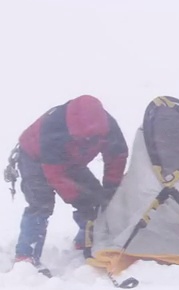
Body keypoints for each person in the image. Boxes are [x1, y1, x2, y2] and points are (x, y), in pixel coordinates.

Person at [12, 95, 128, 273]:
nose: (88, 141)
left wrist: (111, 189)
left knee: (96, 199)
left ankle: (87, 241)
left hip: (70, 161)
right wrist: (80, 200)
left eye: (92, 138)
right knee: (40, 204)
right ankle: (25, 257)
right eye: (84, 138)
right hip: (34, 157)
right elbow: (55, 175)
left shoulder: (108, 126)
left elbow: (116, 157)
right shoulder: (54, 126)